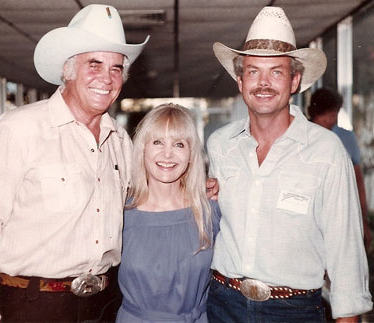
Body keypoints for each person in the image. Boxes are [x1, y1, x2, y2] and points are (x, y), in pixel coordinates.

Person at [0, 4, 149, 322]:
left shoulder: (120, 141)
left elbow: (138, 206)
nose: (107, 77)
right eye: (94, 63)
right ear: (67, 70)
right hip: (32, 304)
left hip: (102, 304)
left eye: (116, 68)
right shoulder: (20, 128)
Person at [207, 6, 372, 323]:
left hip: (293, 311)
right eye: (253, 71)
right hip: (222, 306)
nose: (263, 83)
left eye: (276, 72)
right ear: (240, 81)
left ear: (295, 81)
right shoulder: (219, 146)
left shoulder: (326, 152)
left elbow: (346, 254)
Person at [116, 104, 221, 323]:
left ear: (191, 155)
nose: (167, 154)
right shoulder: (120, 213)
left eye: (179, 144)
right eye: (157, 142)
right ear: (142, 149)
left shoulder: (210, 210)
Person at [308, 87, 372, 251]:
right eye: (332, 114)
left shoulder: (345, 137)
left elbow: (357, 181)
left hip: (341, 216)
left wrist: (362, 221)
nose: (334, 119)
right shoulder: (302, 135)